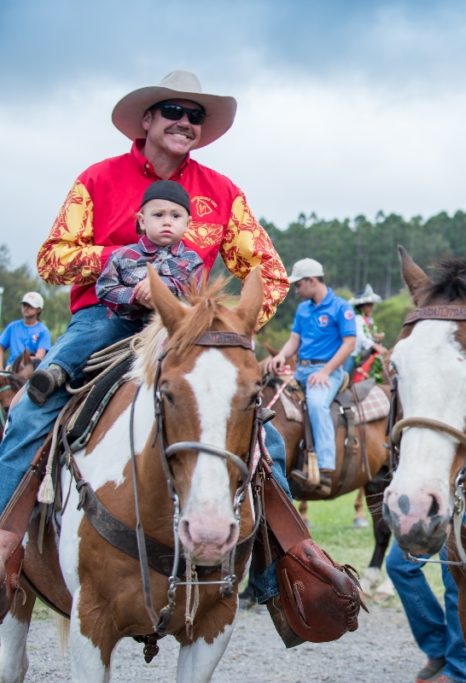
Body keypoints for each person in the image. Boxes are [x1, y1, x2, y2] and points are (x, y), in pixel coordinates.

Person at [0, 70, 292, 622]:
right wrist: (122, 267)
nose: (185, 122)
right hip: (106, 318)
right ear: (148, 121)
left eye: (195, 115)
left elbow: (269, 274)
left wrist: (231, 328)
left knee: (266, 435)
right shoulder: (98, 178)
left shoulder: (223, 192)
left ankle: (285, 574)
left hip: (188, 333)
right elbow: (53, 258)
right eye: (174, 111)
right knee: (32, 410)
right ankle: (5, 545)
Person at [26, 180, 204, 404]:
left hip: (170, 327)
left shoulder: (192, 260)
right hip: (126, 322)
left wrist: (160, 291)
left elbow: (194, 292)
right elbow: (105, 288)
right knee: (98, 330)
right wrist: (133, 296)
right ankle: (58, 370)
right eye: (158, 215)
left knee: (208, 343)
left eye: (175, 216)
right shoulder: (123, 255)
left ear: (188, 223)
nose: (167, 222)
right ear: (142, 221)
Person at [269, 258, 357, 492]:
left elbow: (349, 344)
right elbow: (294, 340)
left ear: (311, 281)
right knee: (272, 399)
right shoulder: (303, 309)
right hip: (302, 370)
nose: (296, 290)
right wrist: (280, 356)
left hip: (329, 371)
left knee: (317, 404)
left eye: (298, 285)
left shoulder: (341, 307)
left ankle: (326, 469)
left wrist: (326, 371)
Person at [386, 544, 466, 683]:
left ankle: (460, 669)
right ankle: (437, 648)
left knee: (455, 578)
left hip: (461, 523)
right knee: (398, 564)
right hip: (430, 521)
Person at [0, 292, 50, 370]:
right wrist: (0, 368)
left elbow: (39, 358)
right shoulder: (13, 327)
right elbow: (1, 346)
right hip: (10, 369)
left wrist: (23, 362)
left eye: (30, 306)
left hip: (31, 371)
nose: (26, 308)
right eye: (24, 305)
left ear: (38, 309)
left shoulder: (43, 331)